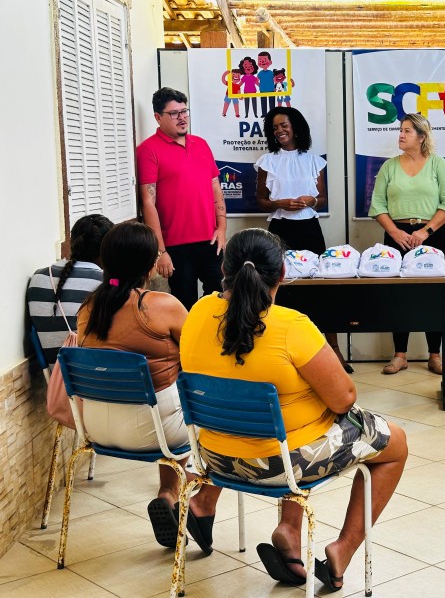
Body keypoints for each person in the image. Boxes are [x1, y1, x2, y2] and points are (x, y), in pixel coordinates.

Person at [179, 228, 408, 591]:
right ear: (283, 274)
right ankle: (342, 551)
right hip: (278, 465)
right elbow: (344, 399)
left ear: (224, 269)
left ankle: (289, 530)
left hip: (214, 456)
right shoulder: (292, 327)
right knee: (394, 442)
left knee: (297, 422)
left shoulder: (198, 311)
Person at [77, 221, 221, 554]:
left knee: (166, 405)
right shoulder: (162, 305)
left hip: (96, 427)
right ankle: (190, 493)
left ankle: (169, 493)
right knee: (202, 409)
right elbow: (202, 358)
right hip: (155, 430)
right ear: (150, 265)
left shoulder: (88, 308)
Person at [254, 107, 352, 373]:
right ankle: (278, 352)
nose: (279, 131)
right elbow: (261, 200)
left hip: (309, 228)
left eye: (284, 125)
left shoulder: (313, 161)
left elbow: (323, 199)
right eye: (275, 128)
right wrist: (280, 203)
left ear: (296, 127)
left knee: (320, 288)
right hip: (279, 230)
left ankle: (333, 350)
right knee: (278, 287)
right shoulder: (267, 161)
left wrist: (311, 201)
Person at [368, 113, 445, 375]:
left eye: (407, 131)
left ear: (422, 137)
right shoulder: (389, 167)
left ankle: (435, 355)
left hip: (431, 235)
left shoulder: (438, 165)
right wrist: (395, 232)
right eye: (400, 130)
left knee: (432, 295)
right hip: (396, 235)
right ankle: (400, 355)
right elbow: (378, 206)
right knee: (399, 296)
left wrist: (424, 231)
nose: (401, 134)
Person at [138, 87, 227, 312]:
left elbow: (216, 188)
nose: (182, 117)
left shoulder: (201, 144)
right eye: (174, 113)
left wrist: (222, 228)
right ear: (158, 117)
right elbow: (148, 202)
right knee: (184, 306)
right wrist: (161, 251)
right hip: (175, 246)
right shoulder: (148, 150)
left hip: (210, 241)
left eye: (184, 111)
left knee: (220, 301)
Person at [27, 214, 114, 367]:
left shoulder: (38, 277)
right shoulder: (107, 282)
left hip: (58, 376)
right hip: (98, 375)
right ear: (107, 249)